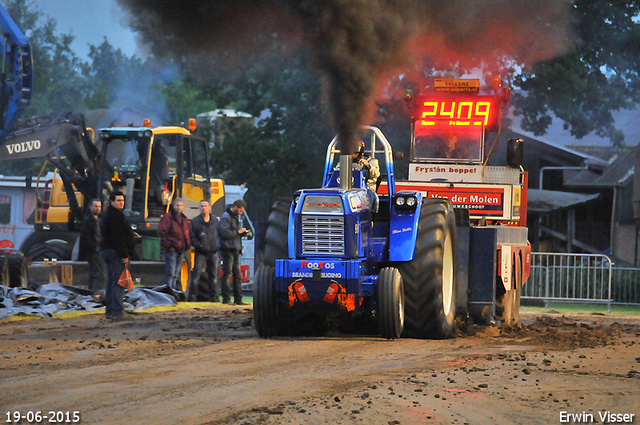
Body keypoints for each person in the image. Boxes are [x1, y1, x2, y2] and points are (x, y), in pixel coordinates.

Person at [100, 191, 136, 320]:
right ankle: (117, 310)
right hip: (115, 252)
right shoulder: (115, 217)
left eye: (122, 200)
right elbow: (118, 238)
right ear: (111, 201)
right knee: (119, 282)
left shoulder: (109, 215)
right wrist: (124, 255)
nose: (121, 203)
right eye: (118, 200)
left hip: (107, 251)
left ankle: (110, 310)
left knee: (111, 281)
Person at [188, 199, 220, 302]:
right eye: (202, 206)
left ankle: (214, 297)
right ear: (199, 208)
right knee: (196, 275)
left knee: (214, 276)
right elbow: (191, 236)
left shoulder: (215, 221)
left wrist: (217, 245)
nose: (204, 208)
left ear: (210, 207)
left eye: (206, 206)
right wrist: (199, 245)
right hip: (201, 252)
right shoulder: (195, 221)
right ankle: (192, 297)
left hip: (214, 252)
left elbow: (219, 234)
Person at [218, 199, 248, 305]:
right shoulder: (225, 217)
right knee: (227, 274)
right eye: (240, 211)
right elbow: (224, 233)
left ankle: (238, 299)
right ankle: (226, 299)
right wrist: (238, 232)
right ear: (235, 207)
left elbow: (233, 234)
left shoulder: (234, 217)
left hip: (235, 249)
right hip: (227, 250)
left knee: (237, 275)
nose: (241, 213)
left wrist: (242, 234)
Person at [158, 197, 191, 291]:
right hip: (172, 249)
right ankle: (167, 293)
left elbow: (186, 233)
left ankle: (173, 293)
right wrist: (170, 245)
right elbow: (162, 232)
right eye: (177, 205)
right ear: (173, 206)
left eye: (181, 206)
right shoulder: (167, 218)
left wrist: (186, 245)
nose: (179, 207)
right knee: (170, 273)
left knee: (176, 274)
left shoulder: (184, 219)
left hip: (182, 249)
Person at [78, 198, 106, 292]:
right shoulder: (88, 221)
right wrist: (94, 249)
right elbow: (86, 238)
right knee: (101, 274)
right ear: (90, 207)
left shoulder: (100, 221)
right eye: (95, 206)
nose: (98, 208)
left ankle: (92, 293)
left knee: (95, 273)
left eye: (99, 206)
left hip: (100, 250)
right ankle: (97, 293)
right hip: (94, 252)